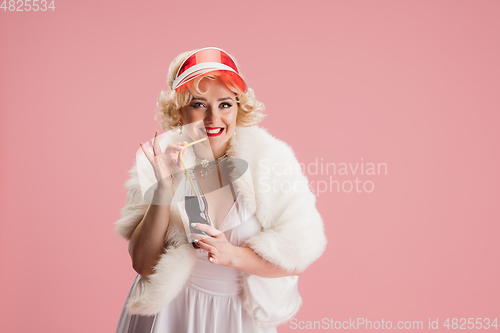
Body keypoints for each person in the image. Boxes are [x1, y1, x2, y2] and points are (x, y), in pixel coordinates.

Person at [114, 47, 327, 333]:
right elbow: (142, 263)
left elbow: (299, 254)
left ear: (239, 108)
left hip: (237, 318)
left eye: (225, 104)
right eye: (199, 104)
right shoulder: (156, 159)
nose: (213, 118)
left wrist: (232, 255)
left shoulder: (272, 161)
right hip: (169, 315)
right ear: (179, 110)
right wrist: (163, 192)